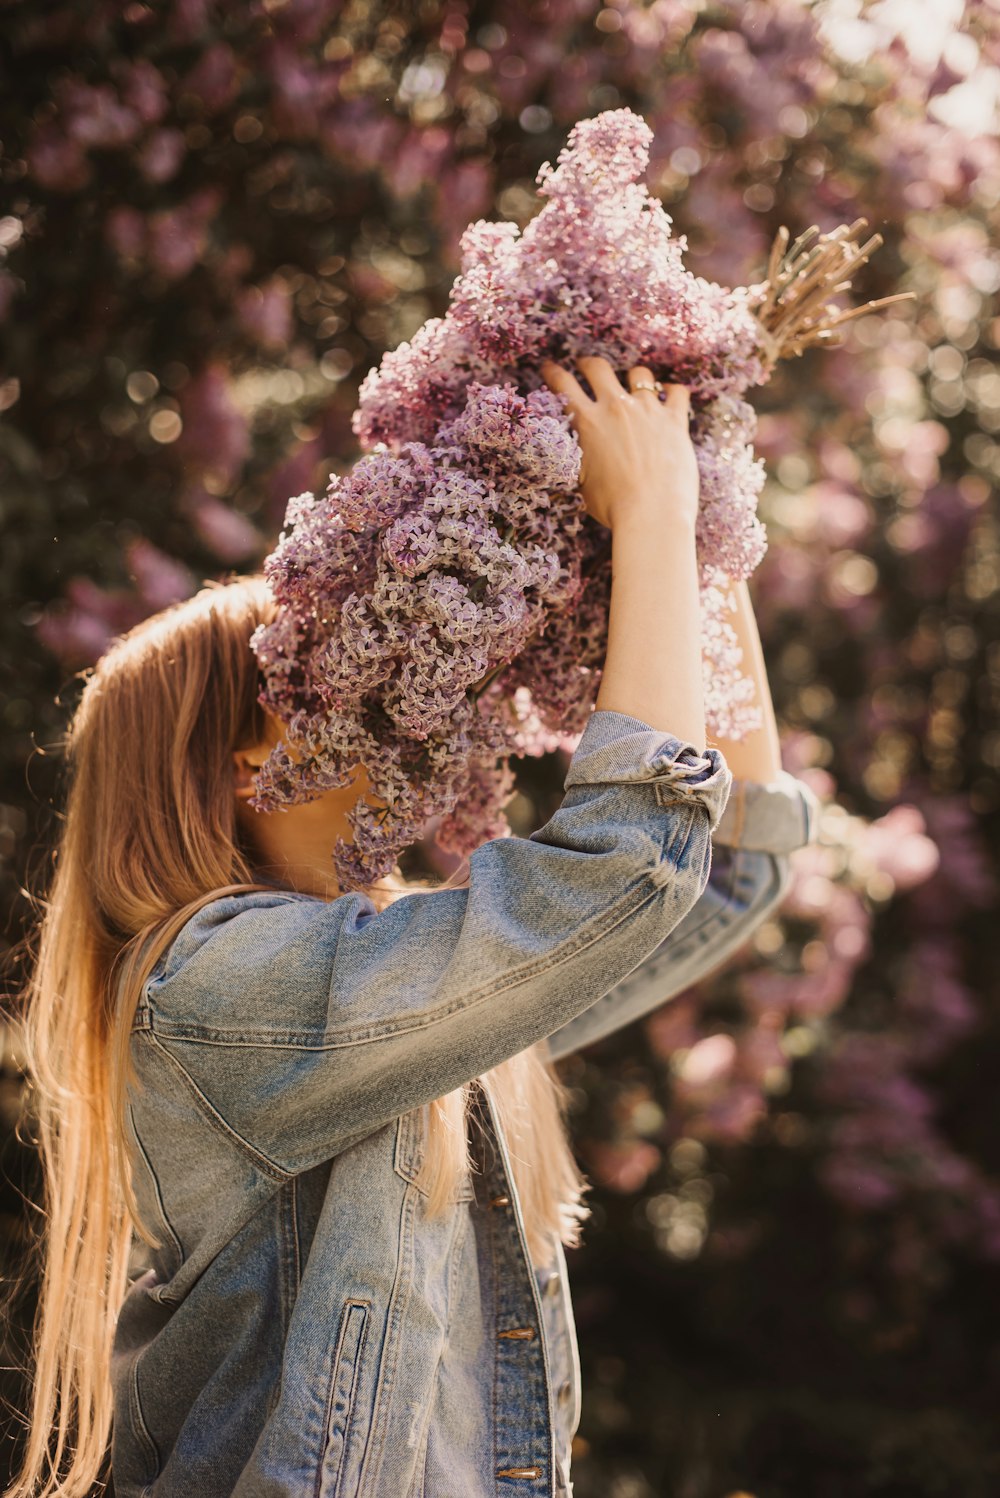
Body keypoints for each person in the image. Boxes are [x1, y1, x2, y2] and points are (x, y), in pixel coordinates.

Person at [7, 357, 819, 1498]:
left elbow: (723, 859)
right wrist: (652, 510)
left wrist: (697, 530)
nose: (392, 671)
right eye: (324, 667)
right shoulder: (212, 989)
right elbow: (626, 864)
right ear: (247, 754)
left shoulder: (404, 973)